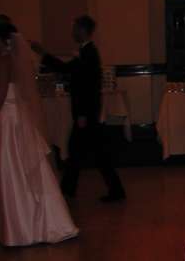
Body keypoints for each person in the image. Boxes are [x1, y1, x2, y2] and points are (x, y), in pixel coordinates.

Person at [0, 22, 78, 246]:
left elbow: (0, 95)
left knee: (11, 168)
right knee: (24, 168)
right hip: (16, 117)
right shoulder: (13, 60)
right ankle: (39, 222)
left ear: (1, 39)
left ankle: (20, 228)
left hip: (8, 119)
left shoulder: (3, 60)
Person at [33, 15, 125, 202]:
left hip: (86, 113)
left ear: (82, 30)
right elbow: (67, 69)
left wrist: (82, 113)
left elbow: (86, 86)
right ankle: (72, 190)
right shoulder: (86, 51)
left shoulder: (88, 53)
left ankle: (71, 190)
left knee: (85, 152)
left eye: (74, 28)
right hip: (87, 112)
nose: (72, 32)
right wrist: (44, 54)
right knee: (84, 152)